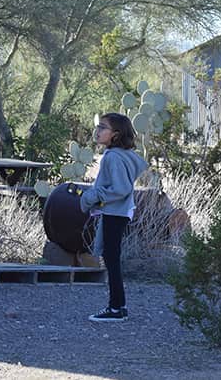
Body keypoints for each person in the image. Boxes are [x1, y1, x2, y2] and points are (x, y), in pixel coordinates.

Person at [79, 112, 148, 322]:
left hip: (115, 211)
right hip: (119, 211)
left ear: (115, 134)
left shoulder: (113, 157)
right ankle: (118, 306)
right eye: (98, 127)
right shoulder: (119, 155)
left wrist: (94, 195)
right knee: (111, 257)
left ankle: (116, 308)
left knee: (111, 259)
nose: (98, 131)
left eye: (103, 128)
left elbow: (121, 188)